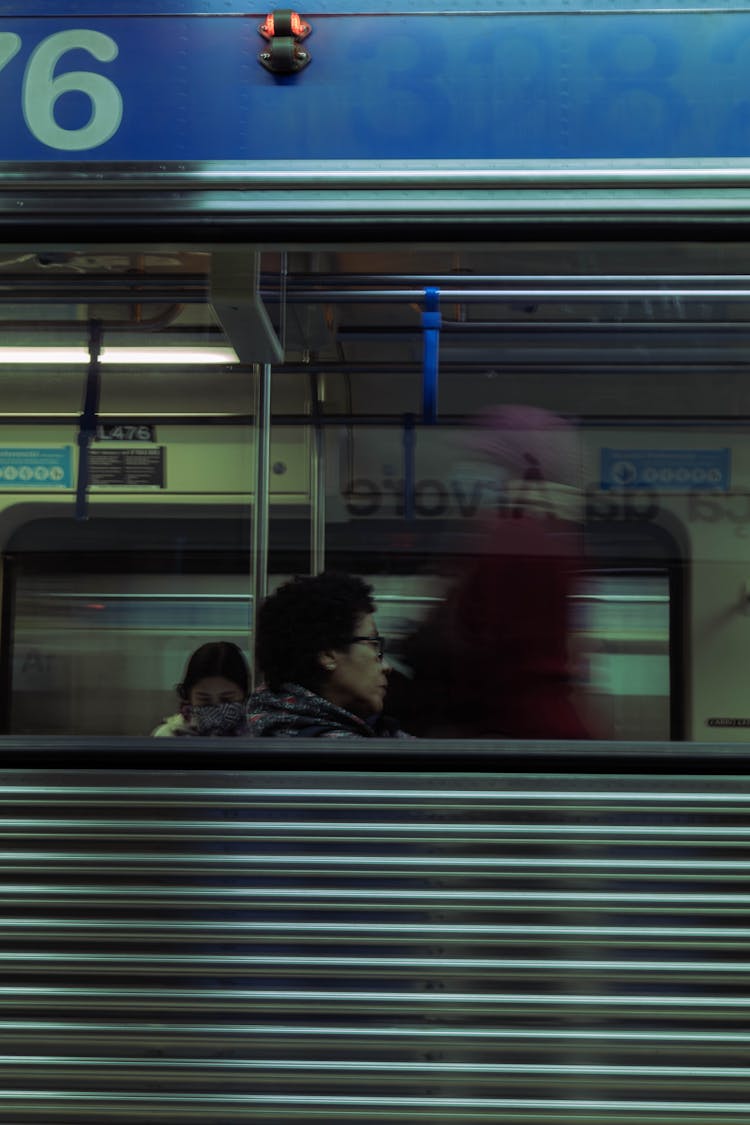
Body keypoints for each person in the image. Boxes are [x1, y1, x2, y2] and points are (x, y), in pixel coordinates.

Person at [397, 405, 592, 739]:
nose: (472, 472)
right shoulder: (557, 539)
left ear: (521, 468)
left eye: (488, 463)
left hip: (505, 730)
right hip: (544, 726)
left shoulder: (509, 535)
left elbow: (473, 643)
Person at [247, 572, 406, 738]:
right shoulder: (346, 751)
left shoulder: (275, 729)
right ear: (328, 655)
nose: (387, 667)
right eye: (373, 644)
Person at [151, 641, 250, 737]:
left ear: (244, 695)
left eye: (227, 700)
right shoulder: (168, 736)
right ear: (188, 696)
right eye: (205, 700)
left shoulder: (257, 737)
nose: (215, 709)